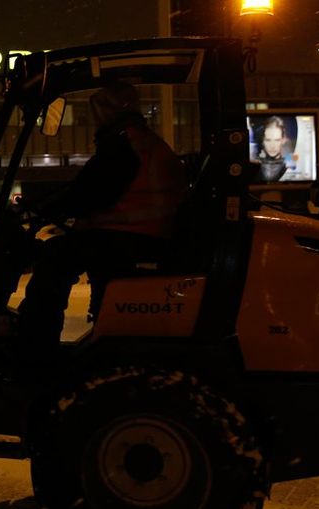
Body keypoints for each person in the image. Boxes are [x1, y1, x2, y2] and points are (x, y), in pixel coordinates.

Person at [16, 81, 189, 360]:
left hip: (131, 237)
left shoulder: (122, 146)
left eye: (97, 110)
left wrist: (43, 209)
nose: (95, 118)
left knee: (55, 259)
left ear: (109, 110)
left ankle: (35, 349)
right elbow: (89, 190)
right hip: (143, 235)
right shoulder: (137, 141)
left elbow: (87, 193)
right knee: (66, 250)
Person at [255, 116, 288, 183]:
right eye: (268, 140)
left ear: (283, 140)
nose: (272, 146)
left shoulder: (289, 166)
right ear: (263, 141)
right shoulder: (254, 166)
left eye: (277, 140)